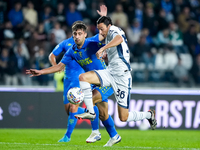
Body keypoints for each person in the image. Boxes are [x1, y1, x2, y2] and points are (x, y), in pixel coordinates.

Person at [27, 20, 121, 146]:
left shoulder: (93, 43)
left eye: (79, 33)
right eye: (75, 34)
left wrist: (105, 47)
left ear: (85, 34)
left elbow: (108, 36)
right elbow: (59, 66)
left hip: (106, 81)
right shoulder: (72, 51)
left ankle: (95, 132)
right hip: (93, 83)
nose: (76, 36)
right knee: (103, 114)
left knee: (90, 99)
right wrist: (40, 72)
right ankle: (114, 135)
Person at [73, 15, 157, 130]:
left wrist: (102, 49)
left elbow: (119, 39)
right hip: (110, 72)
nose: (100, 32)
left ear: (109, 26)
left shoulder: (114, 30)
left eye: (102, 29)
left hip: (122, 76)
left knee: (124, 117)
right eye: (98, 29)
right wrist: (106, 53)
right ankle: (91, 112)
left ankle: (149, 115)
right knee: (83, 77)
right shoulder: (107, 36)